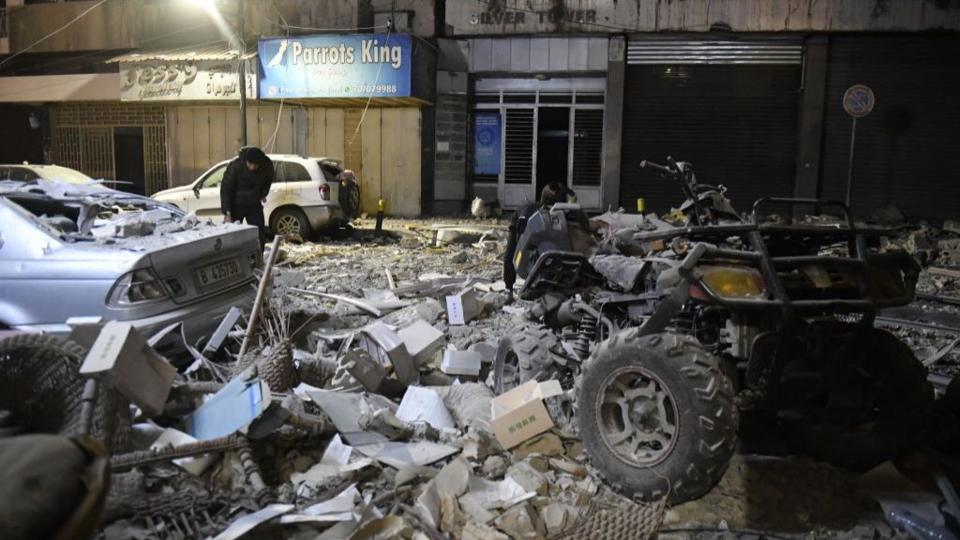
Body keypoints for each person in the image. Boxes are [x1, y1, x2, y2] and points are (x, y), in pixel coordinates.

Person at [502, 182, 575, 293]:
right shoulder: (529, 214)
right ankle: (508, 288)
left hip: (541, 228)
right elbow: (520, 244)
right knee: (511, 253)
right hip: (520, 222)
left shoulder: (557, 214)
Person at [220, 147, 274, 238]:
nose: (252, 168)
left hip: (254, 205)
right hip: (236, 205)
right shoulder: (235, 166)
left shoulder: (267, 166)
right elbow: (226, 189)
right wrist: (227, 212)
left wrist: (262, 194)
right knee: (232, 235)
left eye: (255, 165)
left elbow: (268, 181)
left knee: (258, 233)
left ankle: (259, 252)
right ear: (246, 161)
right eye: (250, 164)